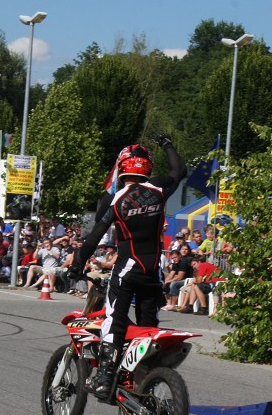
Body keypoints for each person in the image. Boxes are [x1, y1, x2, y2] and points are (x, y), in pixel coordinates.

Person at [67, 134, 186, 398]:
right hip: (153, 275)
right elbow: (179, 171)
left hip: (127, 272)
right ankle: (147, 377)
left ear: (122, 168)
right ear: (147, 167)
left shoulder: (116, 200)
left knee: (114, 321)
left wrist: (77, 265)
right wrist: (167, 144)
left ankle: (106, 377)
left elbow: (94, 237)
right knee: (148, 327)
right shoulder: (159, 189)